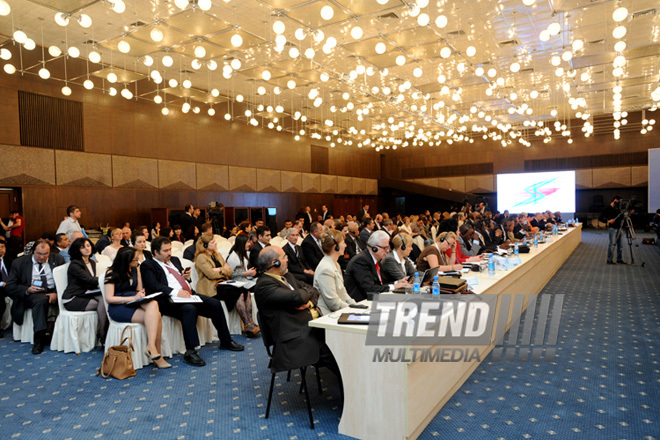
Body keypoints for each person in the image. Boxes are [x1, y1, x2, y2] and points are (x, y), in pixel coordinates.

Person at [141, 237, 244, 367]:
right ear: (155, 252)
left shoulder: (174, 260)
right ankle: (190, 351)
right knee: (189, 309)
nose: (169, 253)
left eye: (170, 249)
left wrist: (184, 278)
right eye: (165, 251)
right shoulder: (148, 265)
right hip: (168, 300)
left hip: (188, 295)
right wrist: (176, 292)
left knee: (214, 304)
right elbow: (153, 285)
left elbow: (177, 279)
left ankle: (225, 340)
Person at [254, 246, 337, 374]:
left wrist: (308, 303)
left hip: (313, 326)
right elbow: (298, 297)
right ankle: (350, 391)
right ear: (274, 263)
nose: (287, 260)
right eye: (284, 257)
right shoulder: (264, 285)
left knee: (344, 342)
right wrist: (302, 296)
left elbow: (313, 289)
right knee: (338, 358)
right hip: (296, 336)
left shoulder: (287, 275)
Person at [104, 247, 171, 369]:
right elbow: (109, 298)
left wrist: (141, 295)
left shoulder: (136, 270)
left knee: (154, 304)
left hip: (133, 301)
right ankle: (157, 353)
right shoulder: (111, 272)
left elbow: (139, 290)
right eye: (135, 260)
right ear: (126, 261)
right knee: (157, 317)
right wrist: (132, 299)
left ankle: (152, 347)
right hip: (118, 306)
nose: (138, 262)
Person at [6, 239, 66, 354]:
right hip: (30, 294)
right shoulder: (19, 263)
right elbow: (10, 286)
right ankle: (39, 339)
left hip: (52, 292)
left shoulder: (58, 260)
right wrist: (27, 289)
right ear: (33, 251)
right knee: (41, 300)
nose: (42, 257)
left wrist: (57, 294)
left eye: (45, 254)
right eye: (38, 253)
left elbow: (65, 281)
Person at [194, 234, 259, 337]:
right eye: (212, 242)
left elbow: (229, 271)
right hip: (211, 287)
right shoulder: (201, 258)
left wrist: (219, 270)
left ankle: (250, 322)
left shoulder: (217, 254)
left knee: (244, 291)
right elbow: (211, 274)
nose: (215, 243)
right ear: (205, 245)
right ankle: (247, 324)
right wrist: (223, 270)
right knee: (238, 293)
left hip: (223, 283)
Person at [62, 237, 108, 344]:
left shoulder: (91, 262)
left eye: (88, 246)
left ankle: (103, 332)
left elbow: (91, 282)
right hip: (72, 298)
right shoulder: (75, 264)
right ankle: (103, 332)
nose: (87, 249)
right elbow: (89, 279)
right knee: (103, 302)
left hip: (85, 294)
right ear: (77, 250)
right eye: (83, 247)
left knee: (104, 299)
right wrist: (108, 278)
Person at [344, 230, 410, 302]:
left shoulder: (375, 260)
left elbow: (381, 284)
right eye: (385, 248)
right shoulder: (360, 261)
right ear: (374, 248)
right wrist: (394, 286)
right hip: (361, 303)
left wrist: (397, 283)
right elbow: (370, 289)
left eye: (388, 248)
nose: (388, 251)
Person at [313, 230, 356, 315]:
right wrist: (351, 309)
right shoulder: (325, 269)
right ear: (336, 247)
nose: (345, 245)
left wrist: (355, 305)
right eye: (343, 243)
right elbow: (333, 303)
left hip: (340, 311)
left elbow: (343, 292)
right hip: (329, 315)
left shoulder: (336, 264)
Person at [599, 195, 625, 264]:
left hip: (620, 228)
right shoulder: (607, 208)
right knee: (612, 244)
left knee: (620, 245)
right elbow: (600, 218)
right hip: (613, 228)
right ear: (615, 200)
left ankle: (619, 259)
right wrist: (608, 221)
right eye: (618, 202)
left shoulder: (620, 209)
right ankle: (609, 259)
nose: (619, 204)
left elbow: (622, 217)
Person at [0, 239, 11, 337]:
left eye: (3, 247)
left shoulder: (8, 259)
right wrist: (1, 284)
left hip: (9, 286)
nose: (1, 250)